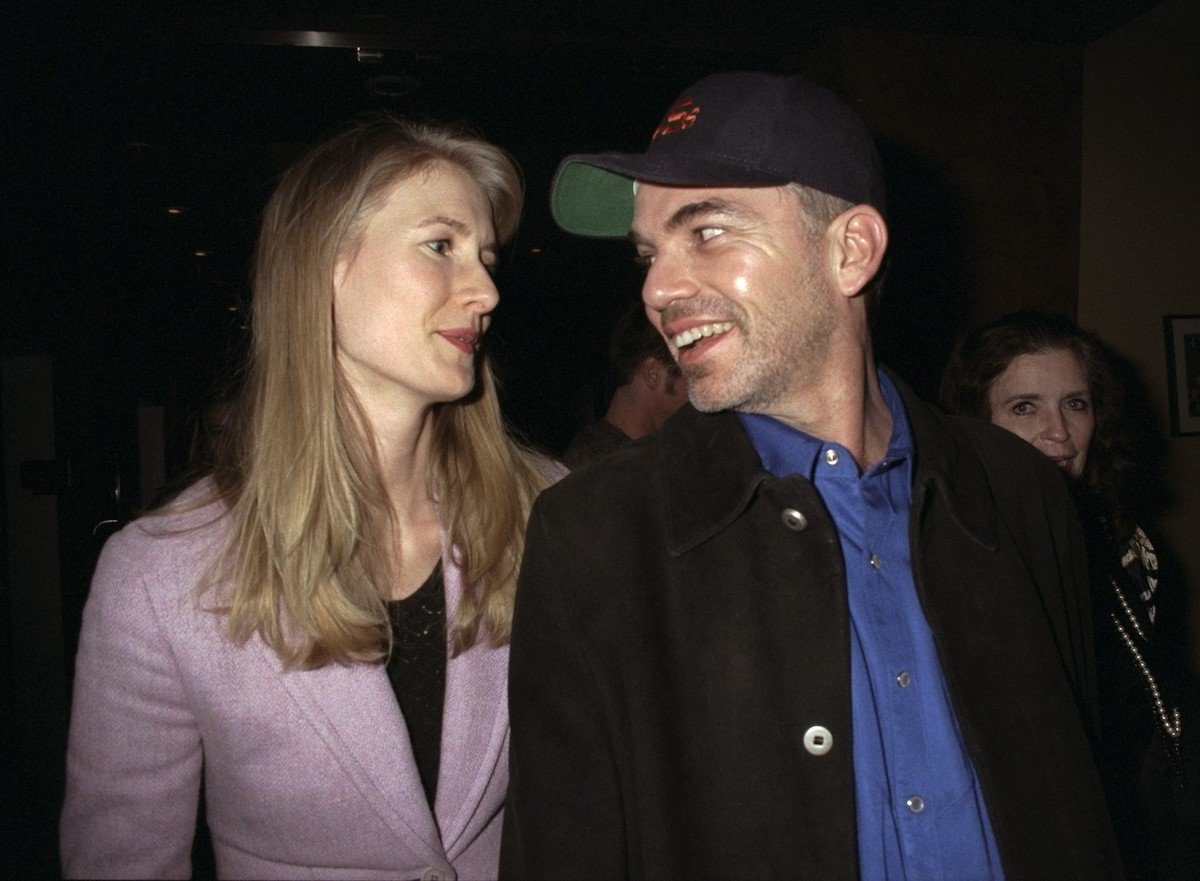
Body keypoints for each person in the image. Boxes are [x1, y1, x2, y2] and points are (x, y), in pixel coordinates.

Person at [500, 71, 1121, 880]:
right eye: (648, 253)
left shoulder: (1019, 492)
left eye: (708, 232)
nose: (656, 288)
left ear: (851, 249)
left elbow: (1085, 802)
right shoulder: (593, 536)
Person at [61, 115, 559, 880]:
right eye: (440, 246)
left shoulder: (552, 513)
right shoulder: (160, 576)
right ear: (324, 263)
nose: (486, 290)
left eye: (486, 257)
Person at [940, 310, 1193, 880]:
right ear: (975, 421)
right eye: (1024, 407)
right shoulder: (950, 554)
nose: (1058, 432)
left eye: (1075, 404)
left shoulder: (1128, 547)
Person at [562, 303, 688, 468]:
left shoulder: (638, 455)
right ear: (653, 374)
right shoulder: (605, 467)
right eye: (691, 373)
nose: (701, 387)